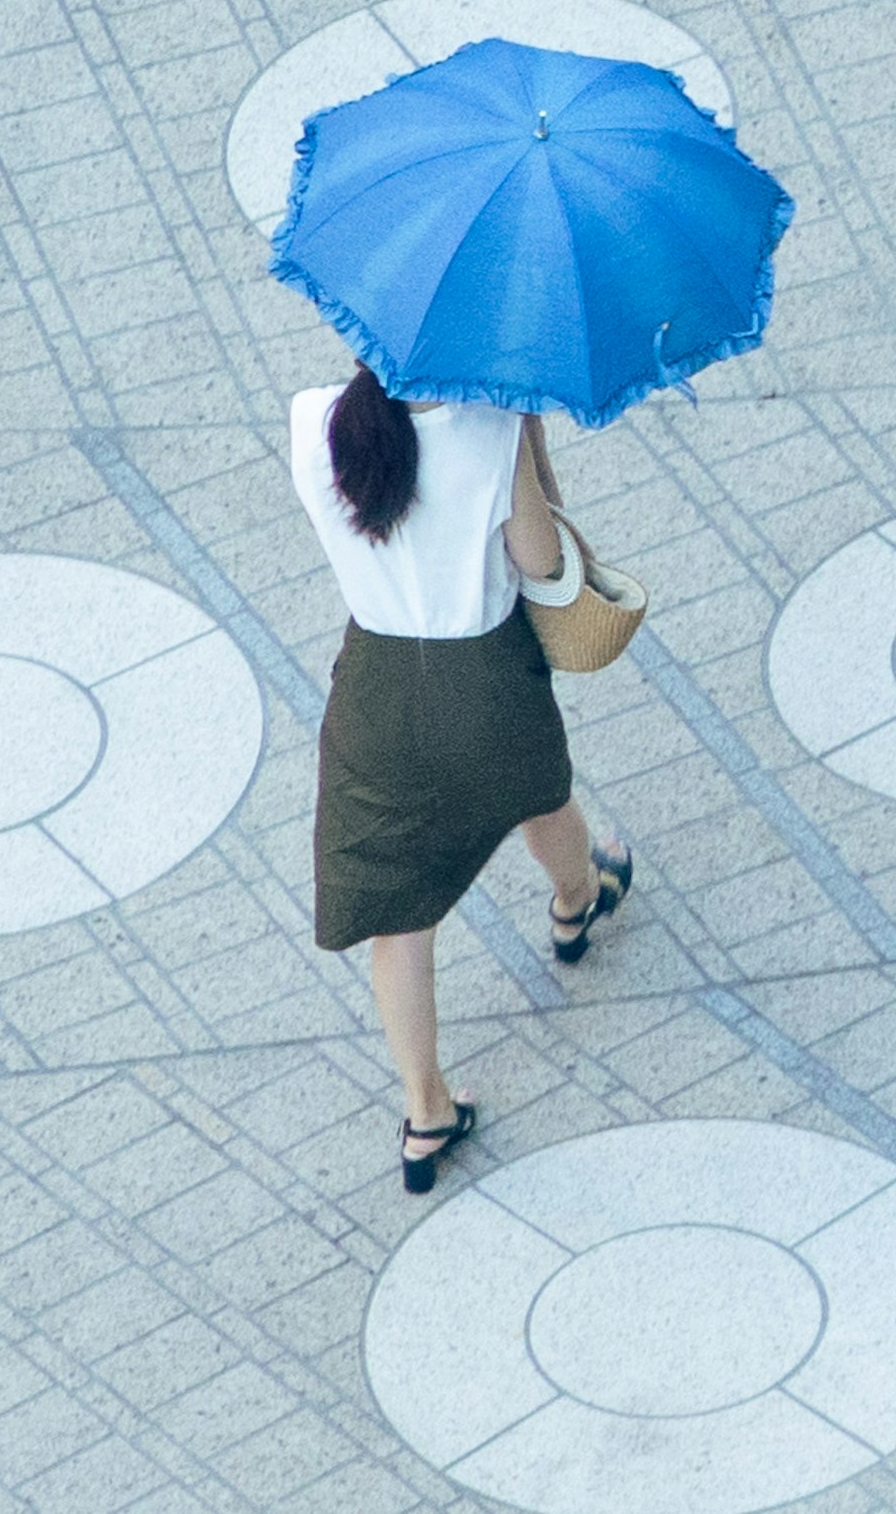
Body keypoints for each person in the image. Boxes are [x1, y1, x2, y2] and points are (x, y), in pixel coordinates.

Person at [289, 362, 636, 1190]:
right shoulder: (492, 427)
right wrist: (531, 449)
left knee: (397, 914)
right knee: (537, 793)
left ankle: (426, 1111)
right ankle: (576, 898)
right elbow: (543, 563)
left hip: (375, 687)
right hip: (483, 675)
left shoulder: (315, 424)